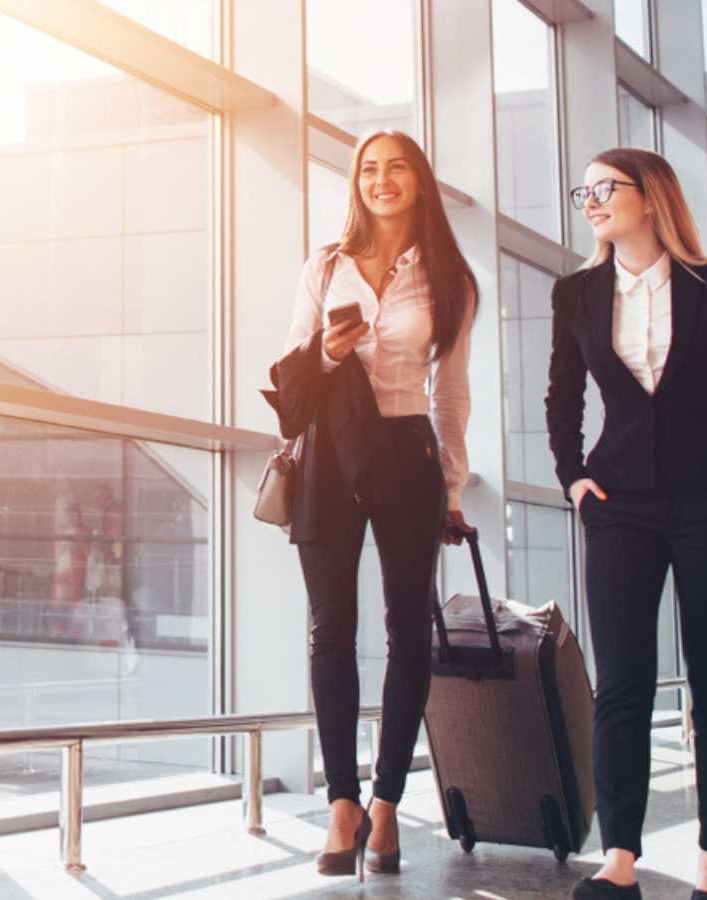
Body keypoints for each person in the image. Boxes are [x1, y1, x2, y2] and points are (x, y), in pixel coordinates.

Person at [545, 148, 707, 900]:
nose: (590, 201)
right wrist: (574, 480)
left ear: (651, 197)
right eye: (582, 190)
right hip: (618, 503)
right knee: (621, 681)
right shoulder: (577, 293)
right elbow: (562, 398)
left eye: (606, 188)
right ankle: (619, 857)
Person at [274, 129, 476, 879]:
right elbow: (291, 367)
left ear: (419, 180)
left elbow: (450, 395)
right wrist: (329, 350)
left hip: (406, 455)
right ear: (354, 181)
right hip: (330, 451)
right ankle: (342, 803)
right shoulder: (324, 265)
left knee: (408, 632)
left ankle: (388, 801)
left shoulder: (450, 278)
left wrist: (452, 488)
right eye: (368, 168)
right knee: (332, 630)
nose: (381, 180)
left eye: (396, 168)